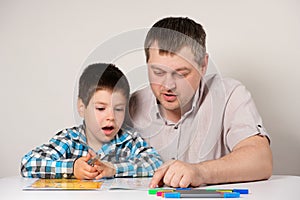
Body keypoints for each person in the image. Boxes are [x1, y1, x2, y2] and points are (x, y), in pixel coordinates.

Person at [128, 17, 273, 188]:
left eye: (181, 73)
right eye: (158, 72)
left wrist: (200, 172)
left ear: (203, 65)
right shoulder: (131, 105)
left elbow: (261, 160)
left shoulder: (229, 95)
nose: (168, 86)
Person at [21, 63, 163, 179]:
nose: (111, 117)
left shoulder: (129, 141)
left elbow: (155, 163)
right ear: (82, 108)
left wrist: (113, 169)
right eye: (101, 108)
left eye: (119, 109)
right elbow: (28, 163)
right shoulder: (70, 140)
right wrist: (73, 167)